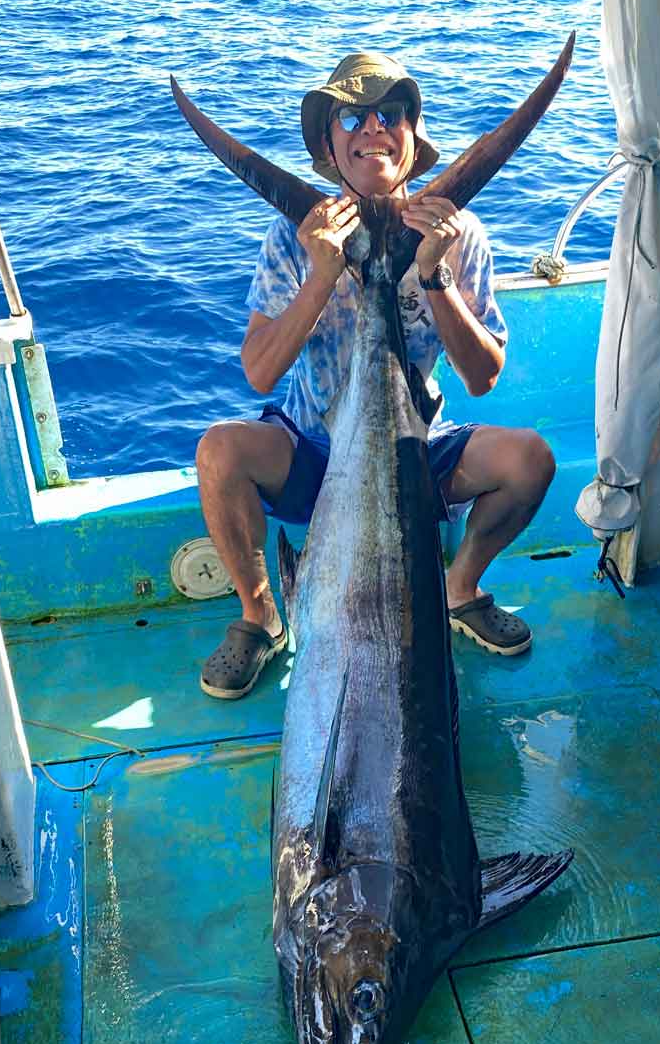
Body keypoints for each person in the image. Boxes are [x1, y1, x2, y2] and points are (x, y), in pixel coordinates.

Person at [195, 51, 556, 699]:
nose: (373, 128)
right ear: (330, 151)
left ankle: (459, 589)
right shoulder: (293, 237)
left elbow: (481, 377)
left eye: (390, 114)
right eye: (353, 117)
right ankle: (261, 618)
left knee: (529, 460)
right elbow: (258, 372)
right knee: (219, 451)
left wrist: (434, 272)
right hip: (311, 446)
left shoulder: (456, 232)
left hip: (416, 449)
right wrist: (324, 274)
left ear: (412, 139)